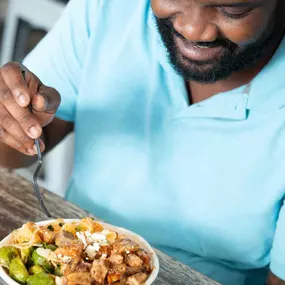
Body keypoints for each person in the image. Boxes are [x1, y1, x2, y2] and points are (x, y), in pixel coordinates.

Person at [0, 0, 284, 284]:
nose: (193, 29)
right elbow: (17, 150)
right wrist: (12, 119)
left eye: (232, 10)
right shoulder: (109, 9)